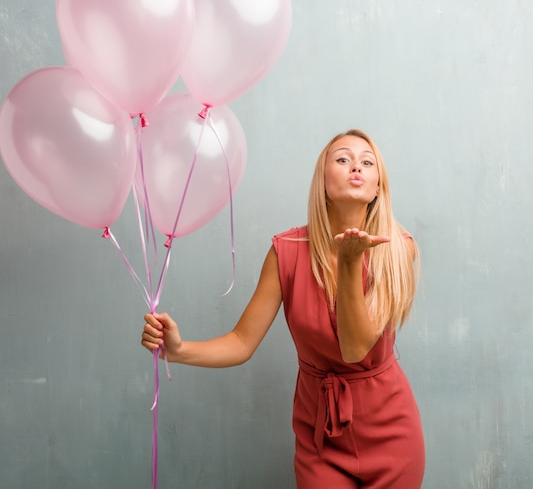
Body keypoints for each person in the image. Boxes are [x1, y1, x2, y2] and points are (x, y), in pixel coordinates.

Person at [141, 129, 425, 488]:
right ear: (322, 181)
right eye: (342, 159)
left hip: (392, 435)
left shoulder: (399, 249)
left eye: (367, 162)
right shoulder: (286, 251)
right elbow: (242, 342)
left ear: (377, 188)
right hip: (319, 438)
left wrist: (351, 265)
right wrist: (180, 351)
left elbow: (355, 350)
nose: (356, 166)